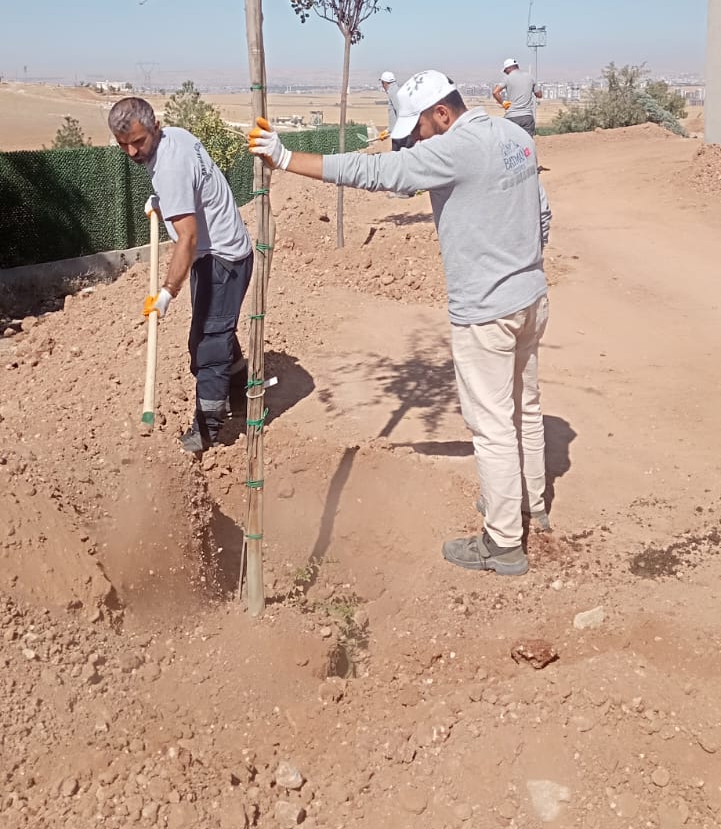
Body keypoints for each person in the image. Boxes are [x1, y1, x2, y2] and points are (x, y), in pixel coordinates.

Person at [249, 71, 552, 577]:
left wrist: (285, 159)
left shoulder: (456, 147)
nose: (417, 140)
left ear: (442, 113)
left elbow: (379, 173)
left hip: (486, 310)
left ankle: (503, 543)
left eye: (421, 129)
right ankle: (533, 505)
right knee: (527, 407)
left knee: (492, 425)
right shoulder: (515, 136)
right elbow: (543, 214)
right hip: (531, 298)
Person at [108, 96, 253, 454]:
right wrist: (163, 202)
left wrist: (167, 292)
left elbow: (187, 237)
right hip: (218, 250)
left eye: (138, 142)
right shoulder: (176, 136)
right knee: (214, 329)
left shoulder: (168, 167)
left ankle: (207, 431)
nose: (131, 152)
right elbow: (193, 191)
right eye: (123, 144)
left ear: (154, 127)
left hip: (222, 257)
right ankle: (241, 392)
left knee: (207, 345)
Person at [492, 58, 542, 137]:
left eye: (505, 71)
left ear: (508, 68)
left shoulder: (507, 78)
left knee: (512, 143)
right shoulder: (530, 77)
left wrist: (503, 103)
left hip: (512, 117)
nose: (505, 73)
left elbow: (495, 92)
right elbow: (539, 95)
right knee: (527, 143)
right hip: (527, 116)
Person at [380, 71, 402, 149]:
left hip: (400, 135)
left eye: (382, 83)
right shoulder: (395, 91)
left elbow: (400, 112)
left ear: (385, 83)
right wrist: (388, 131)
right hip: (398, 133)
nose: (382, 86)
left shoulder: (394, 93)